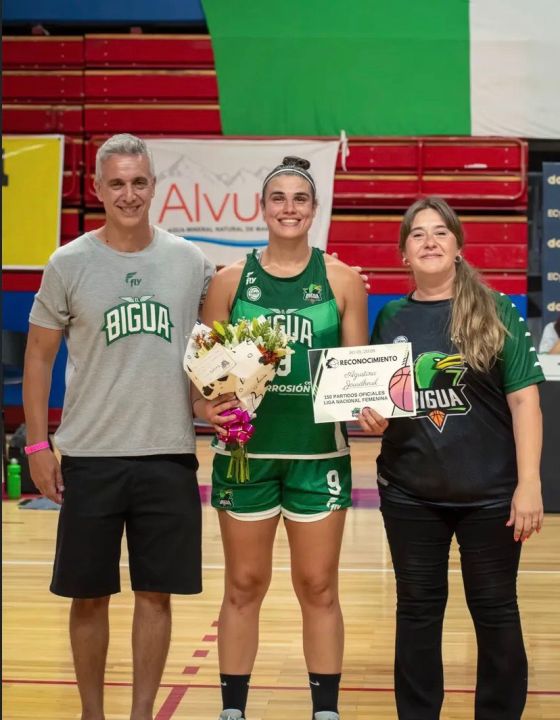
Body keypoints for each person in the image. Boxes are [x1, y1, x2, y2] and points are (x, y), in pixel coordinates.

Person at [22, 133, 235, 720]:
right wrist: (37, 444)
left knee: (155, 594)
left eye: (139, 182)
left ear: (154, 186)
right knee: (88, 596)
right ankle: (92, 713)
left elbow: (237, 304)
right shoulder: (68, 263)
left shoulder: (189, 261)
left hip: (167, 452)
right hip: (90, 456)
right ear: (97, 188)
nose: (129, 194)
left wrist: (340, 275)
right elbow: (38, 356)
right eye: (116, 183)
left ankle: (142, 715)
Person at [193, 156, 368, 720]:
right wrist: (205, 406)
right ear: (262, 208)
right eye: (278, 198)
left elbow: (359, 375)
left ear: (314, 210)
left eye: (300, 199)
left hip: (319, 455)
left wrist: (372, 408)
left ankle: (326, 711)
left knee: (318, 586)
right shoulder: (229, 281)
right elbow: (203, 376)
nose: (289, 208)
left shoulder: (342, 281)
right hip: (246, 456)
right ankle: (233, 710)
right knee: (244, 584)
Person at [357, 197, 545, 720]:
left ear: (458, 246)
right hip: (410, 494)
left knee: (495, 610)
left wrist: (529, 483)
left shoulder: (496, 309)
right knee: (417, 612)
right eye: (418, 234)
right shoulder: (391, 317)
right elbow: (381, 401)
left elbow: (524, 401)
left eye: (441, 232)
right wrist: (371, 417)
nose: (430, 241)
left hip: (490, 496)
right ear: (403, 253)